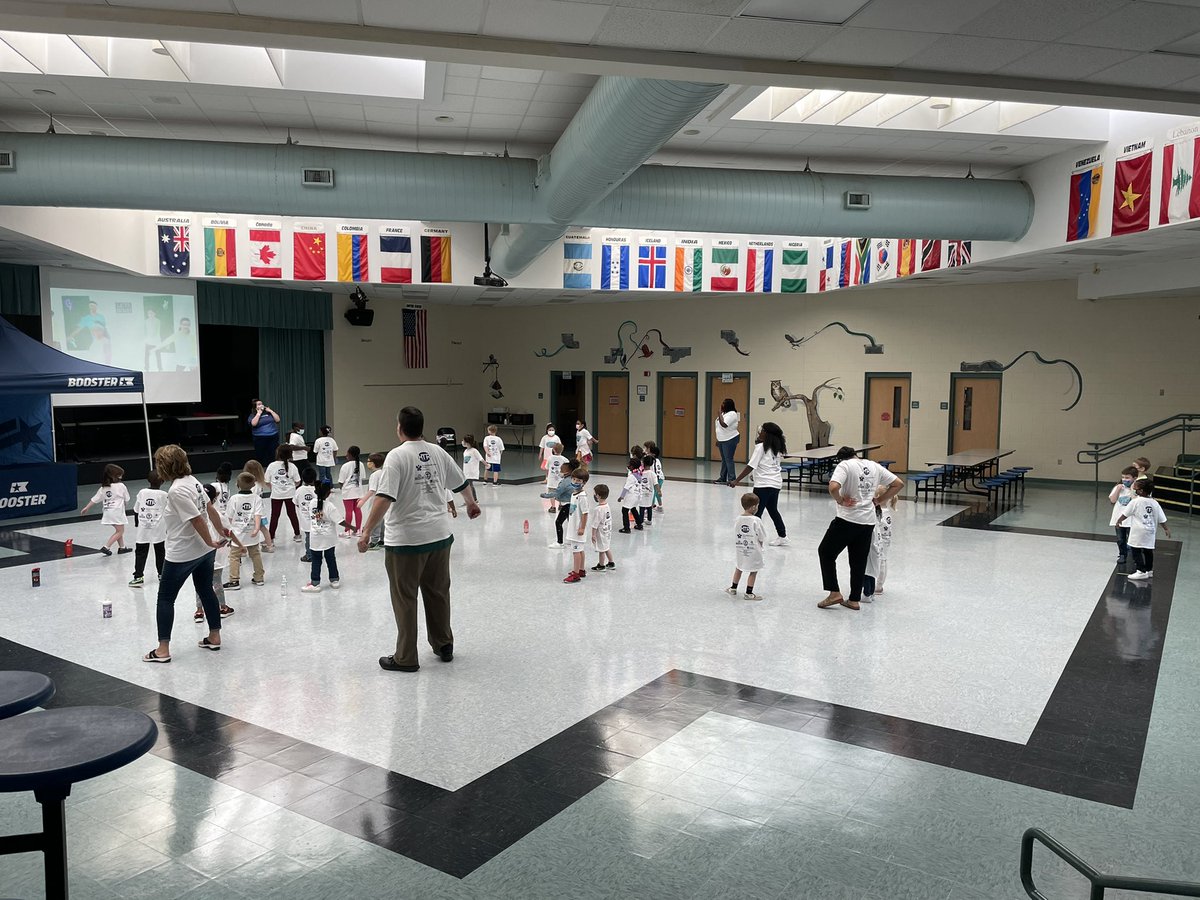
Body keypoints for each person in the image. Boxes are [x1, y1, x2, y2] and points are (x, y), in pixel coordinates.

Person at [357, 406, 481, 673]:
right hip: (439, 536)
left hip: (406, 541)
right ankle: (443, 644)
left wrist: (366, 530)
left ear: (400, 428)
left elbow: (384, 497)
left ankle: (406, 658)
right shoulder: (437, 452)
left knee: (405, 599)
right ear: (422, 427)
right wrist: (471, 504)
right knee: (438, 593)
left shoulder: (396, 456)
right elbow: (461, 482)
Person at [142, 444, 225, 663]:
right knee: (206, 590)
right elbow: (210, 509)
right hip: (203, 551)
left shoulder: (176, 490)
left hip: (183, 552)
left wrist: (212, 540)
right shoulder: (194, 481)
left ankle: (162, 650)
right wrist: (216, 536)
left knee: (165, 598)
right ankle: (214, 636)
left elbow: (197, 518)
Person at [817, 447, 904, 611]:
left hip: (847, 519)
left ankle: (834, 592)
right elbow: (898, 484)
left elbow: (833, 486)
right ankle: (854, 600)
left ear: (841, 459)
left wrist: (841, 500)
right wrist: (879, 500)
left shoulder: (845, 466)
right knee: (858, 561)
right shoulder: (874, 466)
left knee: (826, 552)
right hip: (868, 522)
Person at [729, 422, 788, 546]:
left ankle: (755, 538)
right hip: (775, 484)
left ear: (766, 433)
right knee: (773, 510)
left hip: (763, 485)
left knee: (756, 512)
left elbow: (751, 465)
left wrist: (736, 480)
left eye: (761, 431)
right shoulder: (777, 447)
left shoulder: (761, 447)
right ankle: (782, 536)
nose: (759, 433)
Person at [195, 484, 238, 622]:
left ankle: (199, 611)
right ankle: (223, 607)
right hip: (216, 554)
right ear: (215, 498)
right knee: (217, 581)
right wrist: (227, 543)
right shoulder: (219, 515)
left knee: (199, 583)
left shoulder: (196, 515)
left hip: (198, 553)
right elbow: (228, 533)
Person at [1118, 478, 1170, 581]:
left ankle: (1140, 571)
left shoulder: (1136, 501)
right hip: (1150, 531)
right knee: (1148, 550)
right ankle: (1149, 570)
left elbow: (1125, 513)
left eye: (1136, 489)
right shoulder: (1155, 503)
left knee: (1135, 549)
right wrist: (1166, 529)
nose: (1134, 490)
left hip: (1138, 531)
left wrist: (1118, 521)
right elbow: (1161, 518)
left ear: (1141, 491)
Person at [225, 472, 265, 590]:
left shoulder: (234, 499)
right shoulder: (256, 498)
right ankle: (259, 578)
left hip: (237, 534)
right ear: (253, 485)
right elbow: (258, 514)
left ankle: (234, 580)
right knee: (255, 554)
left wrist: (229, 532)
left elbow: (229, 517)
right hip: (252, 532)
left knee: (234, 556)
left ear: (237, 484)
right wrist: (257, 528)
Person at [302, 482, 344, 593]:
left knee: (316, 560)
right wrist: (353, 527)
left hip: (316, 537)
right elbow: (340, 521)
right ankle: (334, 580)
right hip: (329, 537)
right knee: (331, 558)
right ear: (329, 493)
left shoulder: (311, 503)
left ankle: (315, 583)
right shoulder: (330, 506)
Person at [82, 464, 131, 556]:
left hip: (108, 512)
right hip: (117, 512)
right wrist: (124, 505)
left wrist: (87, 507)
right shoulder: (121, 486)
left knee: (118, 530)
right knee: (120, 531)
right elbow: (127, 499)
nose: (121, 476)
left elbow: (95, 499)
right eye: (120, 474)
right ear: (115, 475)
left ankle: (122, 547)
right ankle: (106, 546)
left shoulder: (103, 488)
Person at [129, 470, 167, 587]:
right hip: (158, 528)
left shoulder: (142, 492)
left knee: (140, 552)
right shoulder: (164, 495)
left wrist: (137, 524)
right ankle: (162, 575)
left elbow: (136, 510)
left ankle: (138, 576)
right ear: (162, 481)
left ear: (148, 480)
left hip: (143, 528)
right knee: (160, 551)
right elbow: (169, 511)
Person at [728, 493, 766, 601]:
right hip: (753, 550)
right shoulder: (756, 520)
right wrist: (761, 544)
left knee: (739, 567)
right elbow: (761, 535)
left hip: (740, 549)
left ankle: (733, 588)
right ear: (753, 507)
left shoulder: (737, 519)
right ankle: (749, 593)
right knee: (753, 571)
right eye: (757, 505)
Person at [863, 488, 897, 600]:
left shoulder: (880, 513)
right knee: (883, 560)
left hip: (880, 540)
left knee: (879, 562)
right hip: (886, 540)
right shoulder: (886, 511)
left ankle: (878, 586)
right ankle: (879, 585)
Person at [265, 444, 302, 544]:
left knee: (275, 516)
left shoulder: (272, 466)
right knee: (292, 514)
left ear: (278, 453)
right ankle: (297, 534)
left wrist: (274, 487)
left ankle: (271, 537)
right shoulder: (293, 466)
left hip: (276, 495)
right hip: (290, 494)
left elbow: (267, 481)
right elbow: (298, 481)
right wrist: (291, 486)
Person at [542, 458, 580, 549]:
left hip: (567, 505)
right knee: (571, 522)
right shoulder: (572, 479)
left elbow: (557, 492)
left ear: (567, 471)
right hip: (572, 504)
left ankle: (560, 542)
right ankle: (573, 540)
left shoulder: (565, 482)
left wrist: (545, 495)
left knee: (558, 522)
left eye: (561, 471)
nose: (560, 472)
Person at [563, 468, 591, 584]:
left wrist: (582, 528)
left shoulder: (582, 497)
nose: (575, 482)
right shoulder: (574, 494)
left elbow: (585, 513)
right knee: (580, 550)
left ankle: (575, 574)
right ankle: (581, 569)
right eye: (573, 479)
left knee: (576, 551)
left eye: (578, 480)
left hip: (578, 529)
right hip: (573, 526)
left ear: (583, 483)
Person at [242, 458, 273, 553]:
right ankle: (269, 545)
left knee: (246, 529)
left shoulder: (252, 486)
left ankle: (244, 549)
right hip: (260, 511)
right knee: (263, 528)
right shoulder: (259, 483)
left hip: (252, 512)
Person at [1109, 466, 1139, 565]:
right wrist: (1117, 489)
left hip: (1132, 519)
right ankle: (1122, 554)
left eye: (1127, 478)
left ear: (1134, 478)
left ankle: (1136, 557)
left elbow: (1136, 501)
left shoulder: (1138, 489)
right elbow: (1113, 500)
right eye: (1123, 477)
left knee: (1133, 539)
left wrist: (1132, 489)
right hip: (1119, 518)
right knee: (1120, 539)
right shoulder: (1118, 487)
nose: (1124, 480)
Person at [358, 452, 386, 550]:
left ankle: (374, 542)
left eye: (369, 461)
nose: (367, 463)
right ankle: (383, 540)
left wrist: (362, 501)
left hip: (375, 502)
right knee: (382, 521)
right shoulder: (383, 472)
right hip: (384, 501)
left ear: (373, 463)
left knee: (375, 522)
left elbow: (372, 490)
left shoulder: (374, 475)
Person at [338, 445, 367, 537]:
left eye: (347, 453)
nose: (346, 455)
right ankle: (358, 530)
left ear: (350, 454)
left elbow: (341, 481)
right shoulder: (361, 464)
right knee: (357, 510)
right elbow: (362, 477)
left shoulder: (345, 466)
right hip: (358, 491)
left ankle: (347, 531)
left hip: (348, 492)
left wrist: (342, 487)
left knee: (348, 511)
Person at [714, 399, 741, 484]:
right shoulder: (723, 414)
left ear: (728, 405)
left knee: (728, 459)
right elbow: (719, 428)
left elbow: (724, 425)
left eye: (723, 404)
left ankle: (732, 479)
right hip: (722, 439)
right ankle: (722, 477)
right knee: (724, 459)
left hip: (730, 439)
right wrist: (718, 440)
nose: (722, 405)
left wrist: (719, 414)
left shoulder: (732, 414)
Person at [247, 399, 281, 467]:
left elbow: (278, 420)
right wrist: (259, 413)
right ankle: (260, 470)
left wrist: (271, 411)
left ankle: (273, 468)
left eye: (261, 404)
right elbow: (253, 424)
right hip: (260, 438)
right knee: (260, 455)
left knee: (273, 454)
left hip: (273, 437)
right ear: (255, 407)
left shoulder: (268, 413)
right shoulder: (252, 415)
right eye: (259, 404)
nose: (261, 405)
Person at [590, 483, 614, 573]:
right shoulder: (607, 506)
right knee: (606, 547)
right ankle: (611, 562)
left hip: (601, 532)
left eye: (594, 494)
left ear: (598, 496)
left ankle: (601, 565)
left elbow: (595, 524)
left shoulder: (598, 509)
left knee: (601, 549)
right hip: (607, 530)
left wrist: (593, 535)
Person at [296, 468, 319, 563]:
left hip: (305, 521)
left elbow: (296, 503)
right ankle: (319, 553)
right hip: (318, 519)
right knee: (318, 537)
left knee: (308, 538)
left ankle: (309, 555)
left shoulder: (299, 490)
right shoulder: (318, 489)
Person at [617, 458, 646, 533]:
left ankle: (626, 528)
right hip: (638, 496)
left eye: (629, 465)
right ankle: (639, 524)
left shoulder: (631, 477)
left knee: (624, 510)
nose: (628, 466)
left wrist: (621, 497)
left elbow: (626, 488)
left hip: (631, 496)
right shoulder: (639, 474)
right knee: (633, 509)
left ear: (632, 467)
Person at [544, 442, 568, 514]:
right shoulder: (565, 459)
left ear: (553, 450)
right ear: (562, 450)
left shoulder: (550, 458)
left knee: (551, 493)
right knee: (561, 492)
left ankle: (553, 507)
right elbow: (568, 469)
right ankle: (560, 505)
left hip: (551, 480)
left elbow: (546, 468)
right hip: (561, 480)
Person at [644, 440, 665, 511]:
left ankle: (651, 506)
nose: (645, 450)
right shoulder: (656, 460)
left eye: (646, 448)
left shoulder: (652, 461)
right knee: (656, 493)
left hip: (658, 479)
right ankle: (659, 506)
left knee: (654, 493)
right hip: (659, 478)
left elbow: (655, 472)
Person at [143, 307, 164, 372]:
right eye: (149, 313)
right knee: (146, 355)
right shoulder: (146, 321)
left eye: (151, 313)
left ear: (154, 314)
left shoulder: (158, 321)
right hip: (148, 341)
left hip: (156, 341)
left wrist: (152, 335)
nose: (150, 315)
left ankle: (160, 368)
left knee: (158, 355)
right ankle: (146, 367)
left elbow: (156, 331)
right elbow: (145, 331)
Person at [639, 452, 657, 525]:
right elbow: (656, 484)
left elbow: (637, 481)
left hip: (642, 492)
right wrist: (659, 491)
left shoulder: (640, 473)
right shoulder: (652, 474)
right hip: (650, 493)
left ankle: (640, 521)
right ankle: (649, 520)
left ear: (643, 463)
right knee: (649, 506)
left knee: (642, 506)